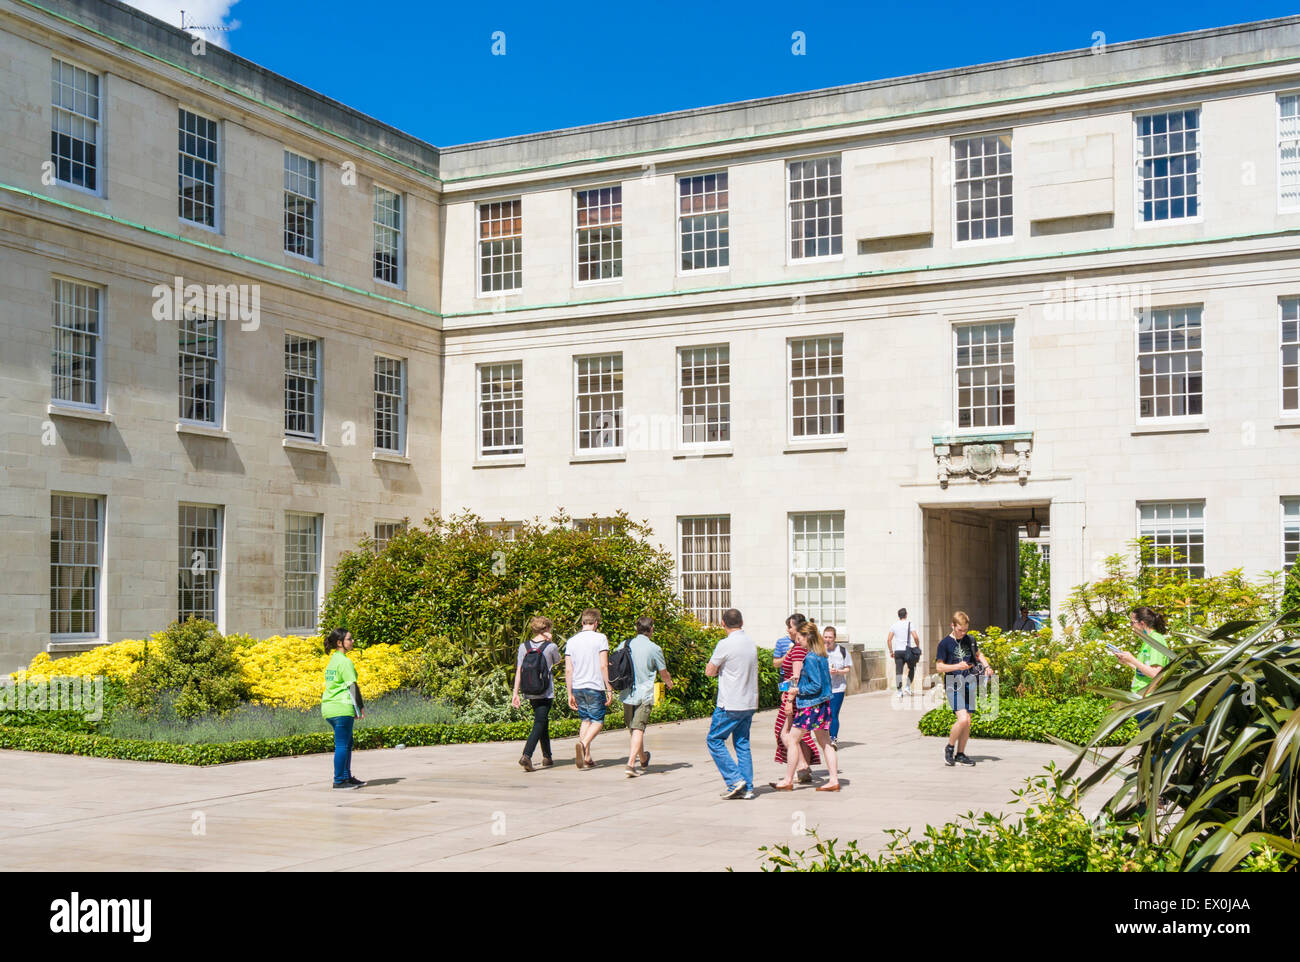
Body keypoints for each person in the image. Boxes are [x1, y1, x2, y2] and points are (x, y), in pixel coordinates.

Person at [769, 622, 841, 792]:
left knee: (792, 739)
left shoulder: (810, 658)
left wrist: (796, 690)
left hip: (810, 706)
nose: (798, 641)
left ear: (806, 637)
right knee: (825, 742)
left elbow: (815, 685)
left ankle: (788, 780)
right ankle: (833, 780)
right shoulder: (821, 655)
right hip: (822, 705)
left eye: (799, 638)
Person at [704, 608, 759, 799]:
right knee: (742, 743)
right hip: (749, 702)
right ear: (742, 622)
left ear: (722, 624)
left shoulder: (725, 644)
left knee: (714, 740)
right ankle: (748, 787)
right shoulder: (751, 643)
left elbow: (710, 671)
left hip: (730, 703)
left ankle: (735, 780)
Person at [615, 615, 673, 777]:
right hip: (644, 694)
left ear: (637, 628)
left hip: (626, 693)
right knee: (638, 728)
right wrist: (669, 683)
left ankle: (643, 757)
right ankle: (631, 764)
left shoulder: (624, 644)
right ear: (651, 629)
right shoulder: (654, 648)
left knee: (633, 729)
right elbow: (663, 672)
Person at [934, 611, 991, 767]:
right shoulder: (945, 643)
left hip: (969, 682)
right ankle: (949, 748)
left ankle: (960, 754)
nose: (963, 633)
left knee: (968, 721)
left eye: (965, 630)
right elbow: (939, 667)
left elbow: (979, 655)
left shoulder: (969, 640)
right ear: (953, 625)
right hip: (953, 683)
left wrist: (987, 666)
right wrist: (956, 666)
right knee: (963, 719)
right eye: (960, 630)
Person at [565, 608, 613, 770]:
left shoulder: (571, 641)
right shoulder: (600, 638)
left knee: (585, 720)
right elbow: (603, 665)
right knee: (598, 721)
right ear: (596, 623)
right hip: (594, 685)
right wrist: (609, 689)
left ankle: (586, 757)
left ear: (583, 622)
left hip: (578, 686)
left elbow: (568, 670)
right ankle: (583, 744)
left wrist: (569, 693)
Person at [512, 615, 561, 772]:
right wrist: (550, 642)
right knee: (540, 722)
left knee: (542, 721)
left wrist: (515, 693)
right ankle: (527, 755)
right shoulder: (550, 647)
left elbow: (519, 670)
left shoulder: (523, 647)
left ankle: (547, 756)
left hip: (529, 690)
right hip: (545, 691)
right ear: (546, 629)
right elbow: (557, 660)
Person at [774, 622, 821, 783]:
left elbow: (797, 677)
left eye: (790, 626)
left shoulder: (799, 650)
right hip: (796, 696)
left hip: (796, 698)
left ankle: (801, 767)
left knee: (788, 735)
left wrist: (789, 698)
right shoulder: (798, 649)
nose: (788, 629)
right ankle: (802, 769)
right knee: (801, 736)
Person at [321, 627, 365, 789]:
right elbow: (352, 686)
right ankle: (339, 780)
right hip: (342, 707)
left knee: (347, 742)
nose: (352, 642)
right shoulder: (345, 662)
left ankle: (346, 777)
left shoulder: (333, 660)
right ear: (340, 643)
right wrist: (359, 707)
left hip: (329, 708)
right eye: (350, 639)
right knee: (342, 744)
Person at [1114, 606, 1171, 727]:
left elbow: (1156, 674)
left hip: (1150, 700)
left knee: (1153, 738)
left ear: (1142, 623)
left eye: (1132, 622)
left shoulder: (1156, 640)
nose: (1131, 626)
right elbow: (1144, 671)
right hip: (1142, 698)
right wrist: (1127, 662)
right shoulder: (1147, 641)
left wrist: (1133, 659)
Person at [884, 608, 921, 697]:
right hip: (907, 651)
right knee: (912, 668)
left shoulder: (894, 625)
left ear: (899, 615)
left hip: (897, 651)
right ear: (906, 614)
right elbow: (915, 637)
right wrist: (918, 646)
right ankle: (907, 687)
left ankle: (899, 691)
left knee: (899, 671)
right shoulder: (909, 624)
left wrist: (891, 651)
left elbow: (889, 639)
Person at [824, 625, 850, 747]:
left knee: (833, 713)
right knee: (824, 714)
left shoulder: (842, 651)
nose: (827, 639)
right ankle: (824, 736)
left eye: (830, 637)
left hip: (838, 687)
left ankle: (833, 738)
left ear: (835, 638)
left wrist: (838, 672)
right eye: (825, 637)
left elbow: (847, 669)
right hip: (822, 688)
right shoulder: (819, 651)